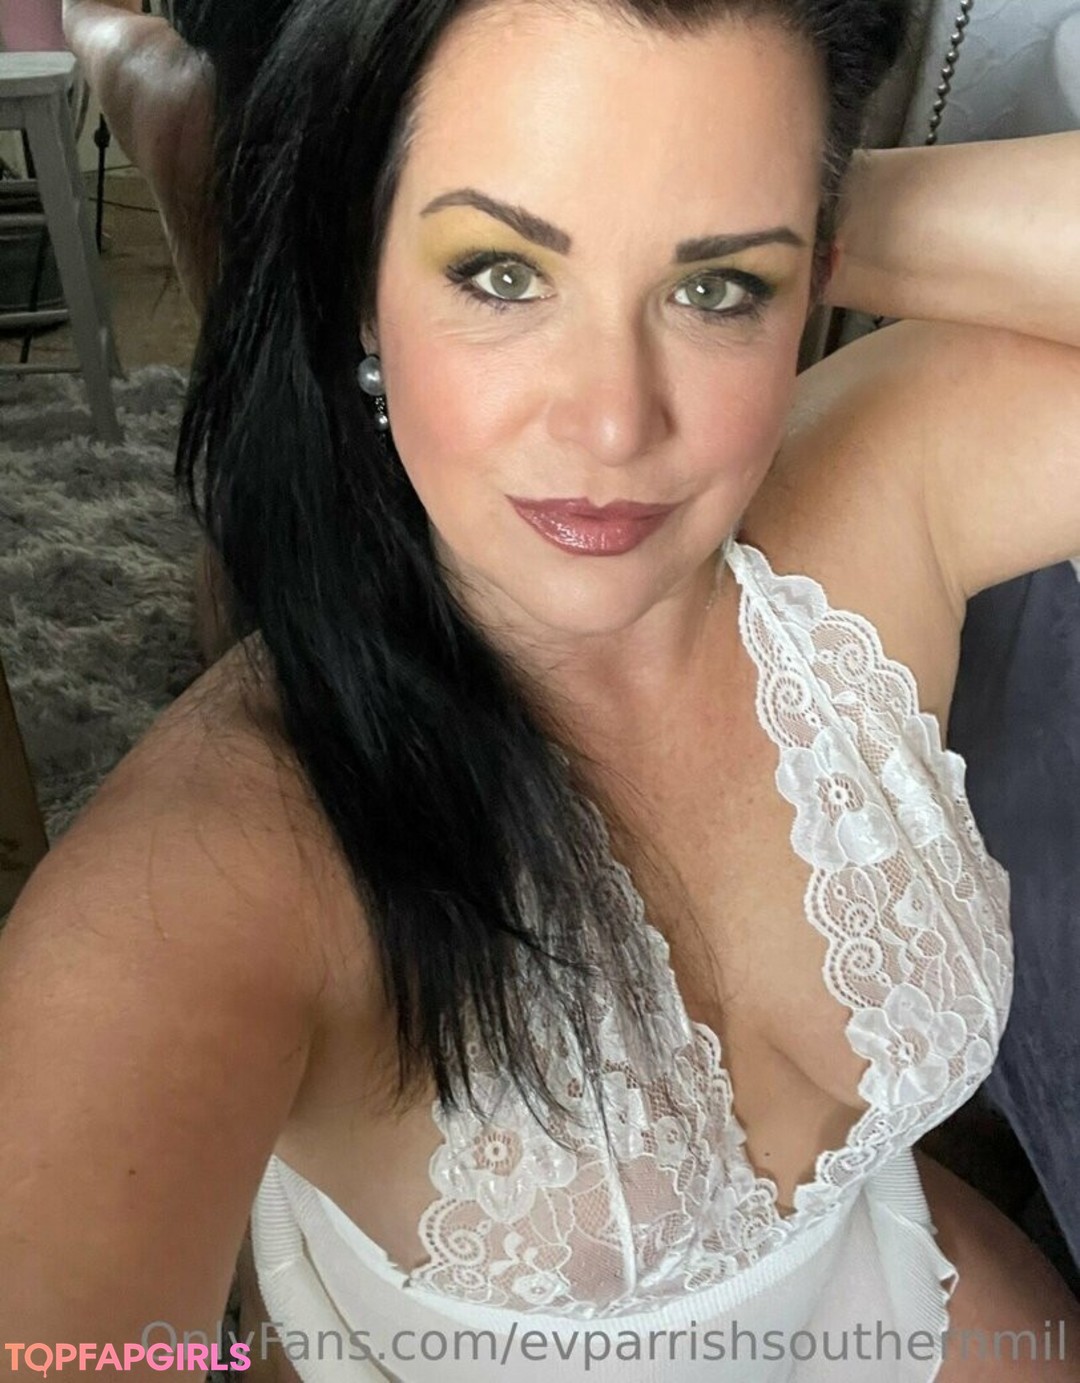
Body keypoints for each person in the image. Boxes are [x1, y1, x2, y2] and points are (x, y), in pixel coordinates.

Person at [3, 2, 1080, 1381]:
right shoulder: (197, 887)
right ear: (354, 275)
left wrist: (787, 183)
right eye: (503, 272)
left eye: (718, 287)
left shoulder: (880, 495)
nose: (614, 424)